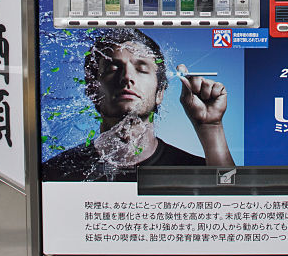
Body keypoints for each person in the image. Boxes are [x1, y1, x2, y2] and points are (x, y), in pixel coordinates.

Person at [41, 28, 234, 181]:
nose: (127, 77)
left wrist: (211, 127)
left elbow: (235, 211)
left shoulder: (198, 171)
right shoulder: (55, 173)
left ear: (160, 93)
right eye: (112, 68)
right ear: (93, 91)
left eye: (141, 69)